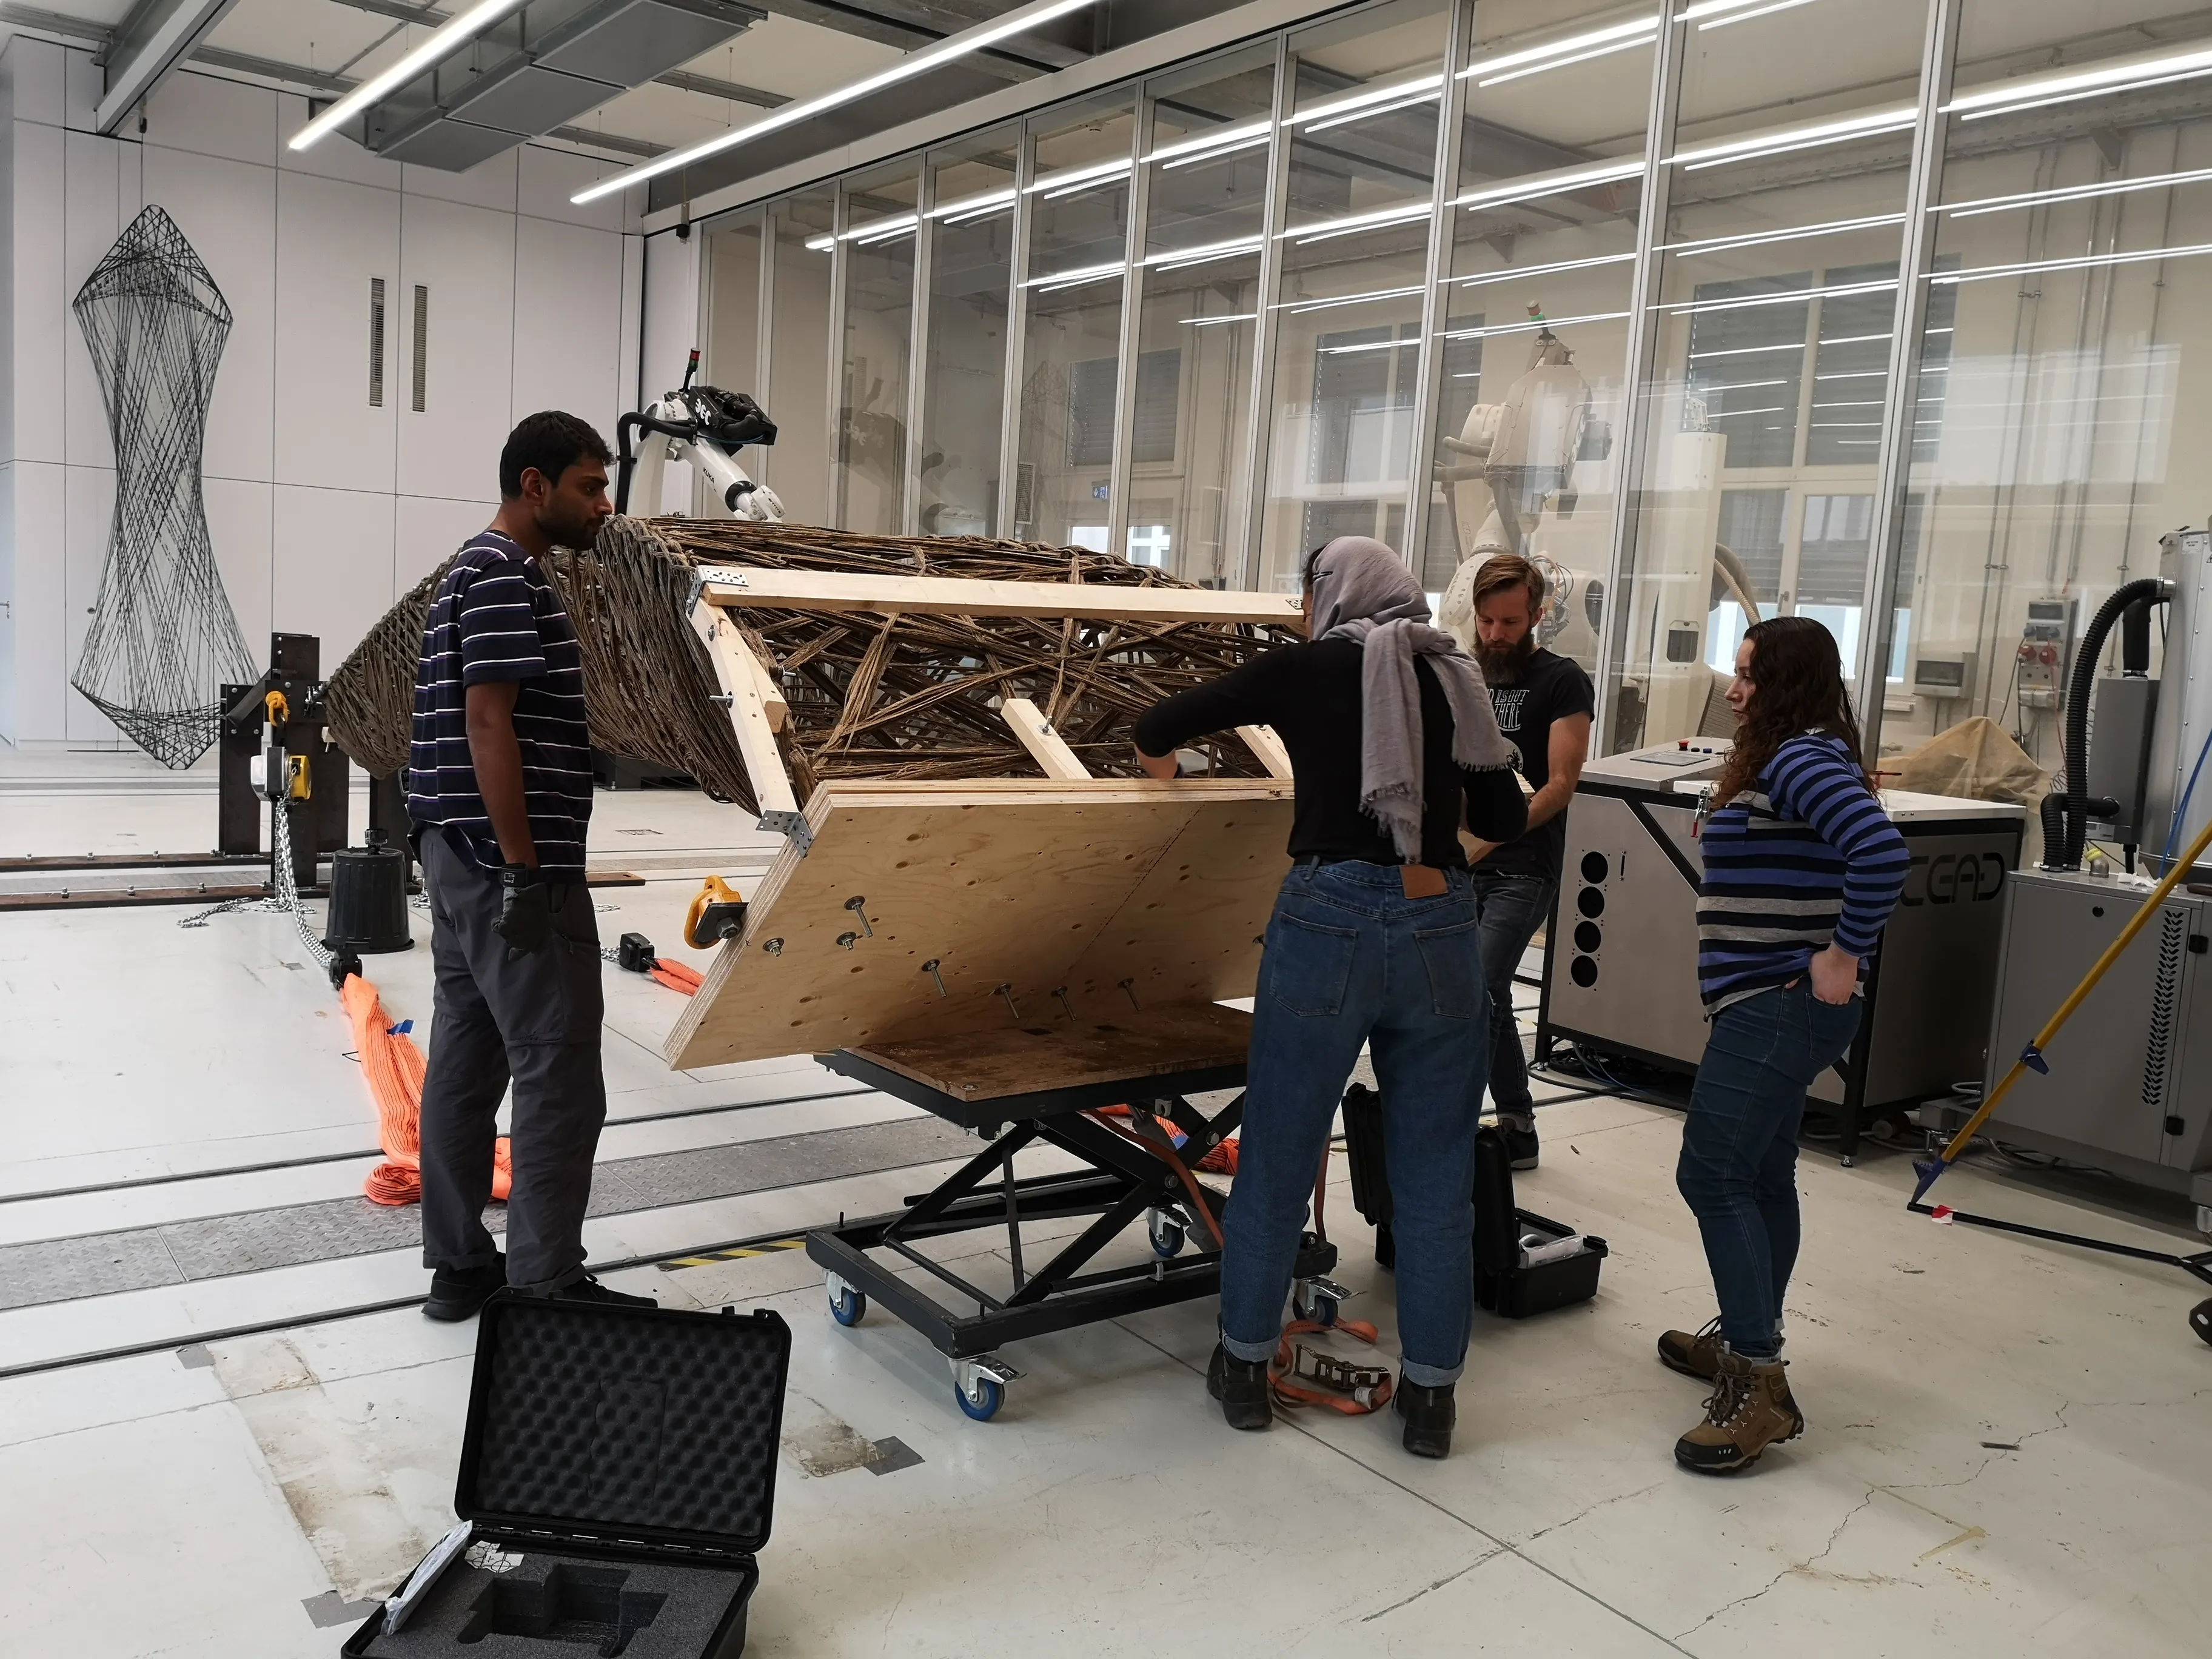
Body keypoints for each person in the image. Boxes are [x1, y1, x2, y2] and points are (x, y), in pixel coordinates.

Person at [1133, 536, 1527, 1458]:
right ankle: (1432, 1397)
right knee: (1435, 1177)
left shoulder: (1305, 668)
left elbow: (1159, 726)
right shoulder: (1452, 675)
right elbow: (1505, 818)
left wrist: (1170, 776)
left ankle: (1244, 1368)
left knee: (1279, 1151)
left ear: (1331, 593)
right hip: (1441, 933)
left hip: (1329, 926)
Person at [407, 411, 653, 1320]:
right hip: (511, 866)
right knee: (558, 1071)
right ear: (534, 486)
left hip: (452, 853)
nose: (604, 503)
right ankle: (546, 1283)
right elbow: (486, 721)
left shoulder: (465, 570)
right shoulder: (508, 575)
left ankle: (461, 1266)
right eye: (590, 486)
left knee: (466, 1065)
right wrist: (522, 867)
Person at [1663, 617, 1908, 1472]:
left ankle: (1758, 1385)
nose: (1735, 691)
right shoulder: (1797, 754)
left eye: (1749, 677)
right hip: (1772, 1003)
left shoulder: (1799, 758)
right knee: (1762, 1174)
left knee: (1712, 1172)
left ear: (1789, 686)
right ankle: (1744, 1333)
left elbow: (1880, 851)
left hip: (1781, 1004)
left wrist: (1845, 954)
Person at [1460, 554, 1592, 1170]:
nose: (1495, 634)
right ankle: (1498, 1121)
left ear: (1537, 616)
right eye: (1487, 621)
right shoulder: (1464, 672)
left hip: (1522, 865)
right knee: (1469, 993)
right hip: (1460, 862)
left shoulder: (1562, 681)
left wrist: (1495, 835)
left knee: (1481, 985)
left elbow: (1562, 783)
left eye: (1509, 622)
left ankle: (1491, 1123)